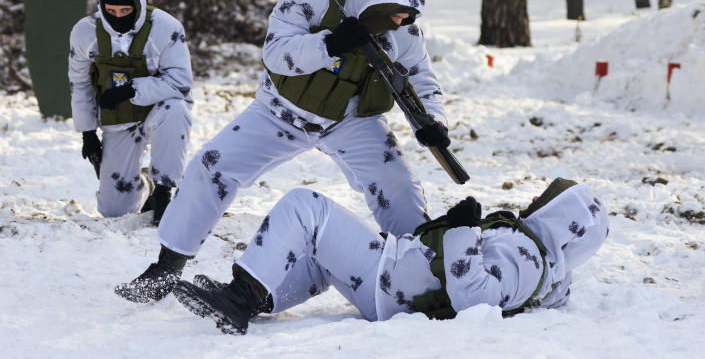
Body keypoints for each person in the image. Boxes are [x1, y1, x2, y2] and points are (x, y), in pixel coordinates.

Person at [115, 0, 451, 302]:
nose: (405, 21)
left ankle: (422, 271)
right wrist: (329, 44)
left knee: (397, 184)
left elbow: (420, 79)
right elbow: (275, 53)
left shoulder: (403, 32)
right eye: (399, 12)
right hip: (280, 112)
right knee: (211, 167)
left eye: (411, 15)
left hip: (350, 120)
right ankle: (167, 267)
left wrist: (433, 122)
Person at [172, 178, 609, 335]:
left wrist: (462, 228)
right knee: (324, 261)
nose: (536, 196)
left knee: (307, 207)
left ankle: (241, 295)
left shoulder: (527, 256)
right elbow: (547, 292)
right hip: (393, 279)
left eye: (549, 196)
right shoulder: (549, 266)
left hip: (390, 282)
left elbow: (475, 296)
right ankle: (255, 298)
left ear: (562, 217)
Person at [69, 0, 193, 224]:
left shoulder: (164, 27)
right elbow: (79, 83)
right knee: (114, 210)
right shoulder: (85, 32)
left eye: (125, 11)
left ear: (138, 4)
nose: (118, 16)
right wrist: (88, 133)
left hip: (159, 111)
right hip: (119, 118)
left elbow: (181, 82)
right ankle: (144, 183)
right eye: (111, 11)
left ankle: (163, 191)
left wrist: (130, 90)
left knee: (176, 108)